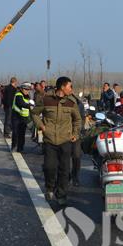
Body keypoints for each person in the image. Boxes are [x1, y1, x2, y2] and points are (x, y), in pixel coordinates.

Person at [31, 76, 82, 206]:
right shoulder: (46, 99)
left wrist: (75, 133)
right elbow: (35, 113)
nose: (71, 89)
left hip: (66, 140)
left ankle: (61, 194)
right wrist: (41, 126)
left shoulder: (72, 102)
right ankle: (49, 188)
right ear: (62, 87)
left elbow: (77, 120)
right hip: (50, 140)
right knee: (49, 167)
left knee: (64, 169)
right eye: (69, 86)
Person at [12, 83, 34, 152]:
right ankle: (14, 146)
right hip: (16, 117)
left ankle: (20, 148)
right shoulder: (18, 95)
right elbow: (21, 103)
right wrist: (29, 106)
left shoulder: (27, 96)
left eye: (28, 89)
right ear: (21, 89)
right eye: (25, 89)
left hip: (24, 118)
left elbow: (31, 103)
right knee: (15, 133)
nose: (27, 91)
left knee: (22, 134)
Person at [70, 93, 85, 187]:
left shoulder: (79, 104)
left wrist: (77, 132)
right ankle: (65, 176)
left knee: (76, 156)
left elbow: (81, 120)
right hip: (61, 134)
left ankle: (75, 176)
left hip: (75, 134)